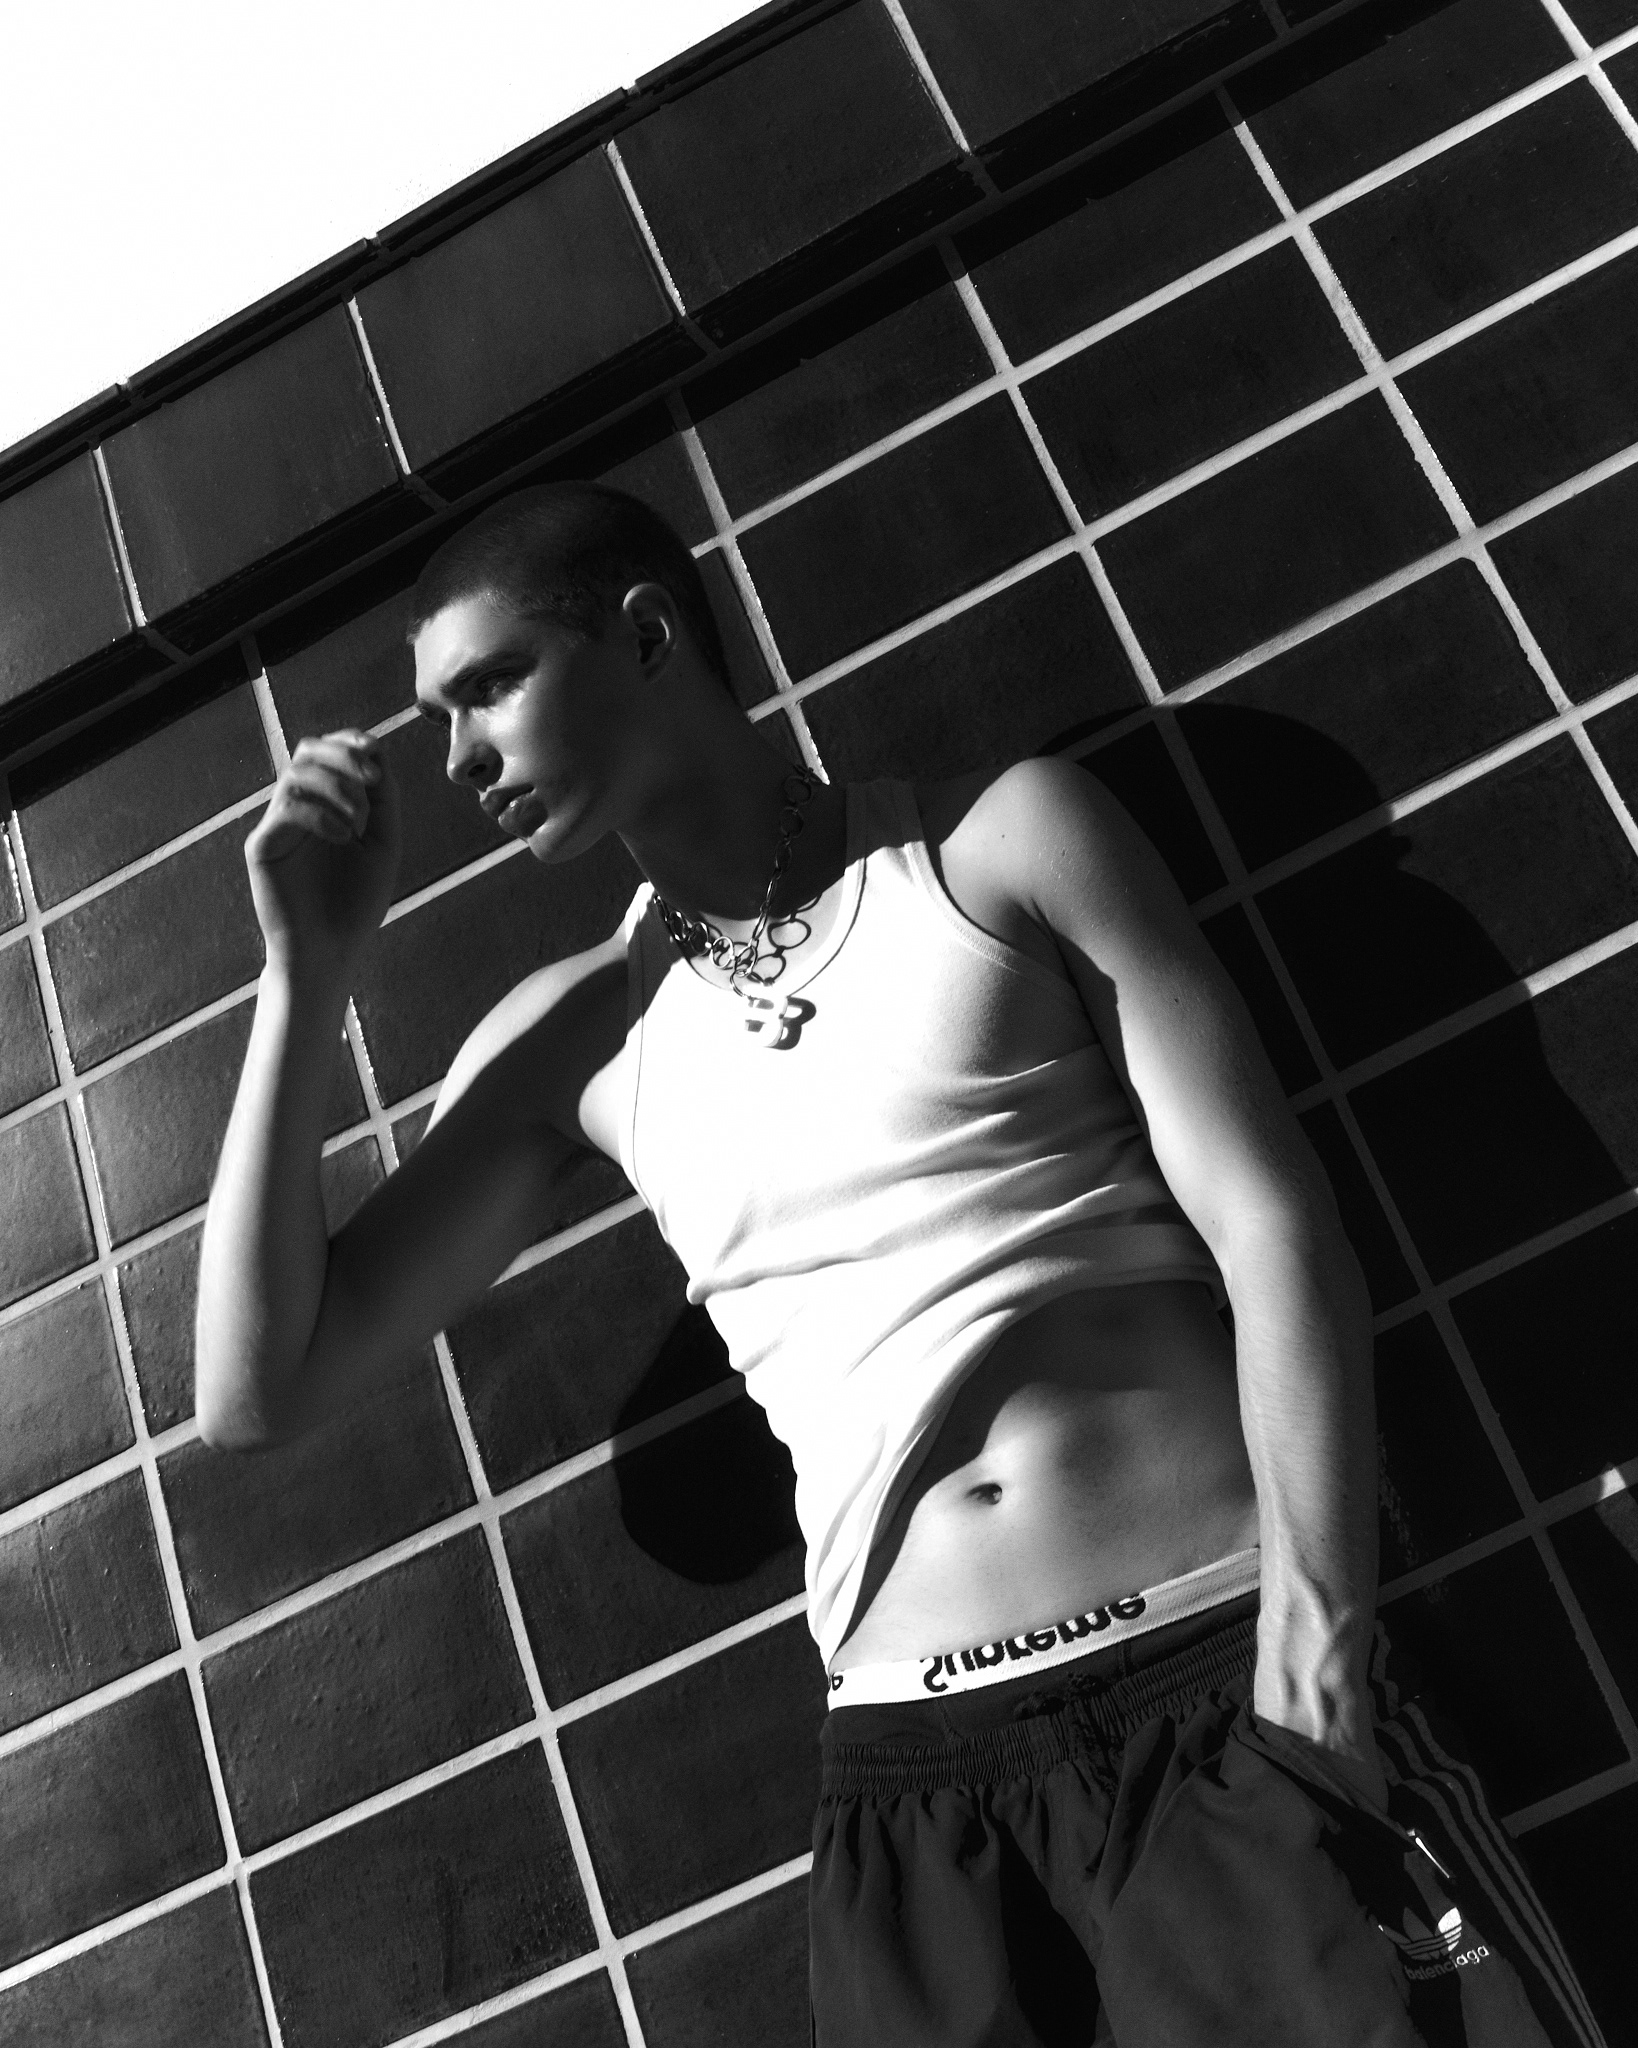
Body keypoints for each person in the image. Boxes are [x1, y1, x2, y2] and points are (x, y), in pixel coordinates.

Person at [196, 483, 1604, 2046]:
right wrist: (302, 973)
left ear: (647, 636)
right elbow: (258, 1391)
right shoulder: (570, 1040)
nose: (458, 759)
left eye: (489, 687)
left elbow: (1270, 1224)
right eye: (437, 720)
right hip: (912, 1794)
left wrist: (1317, 1654)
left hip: (1217, 1685)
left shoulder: (995, 844)